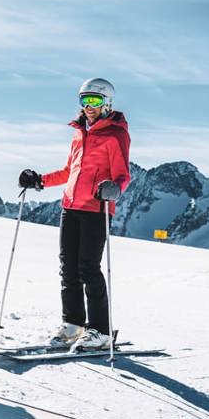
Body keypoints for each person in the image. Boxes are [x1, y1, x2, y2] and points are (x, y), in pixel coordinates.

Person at [19, 77, 131, 349]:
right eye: (84, 100)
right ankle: (73, 324)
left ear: (107, 102)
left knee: (88, 269)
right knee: (68, 269)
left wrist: (113, 189)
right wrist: (40, 180)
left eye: (95, 100)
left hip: (96, 208)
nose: (89, 106)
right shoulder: (79, 133)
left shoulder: (116, 135)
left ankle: (101, 331)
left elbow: (122, 175)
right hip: (69, 206)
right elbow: (70, 171)